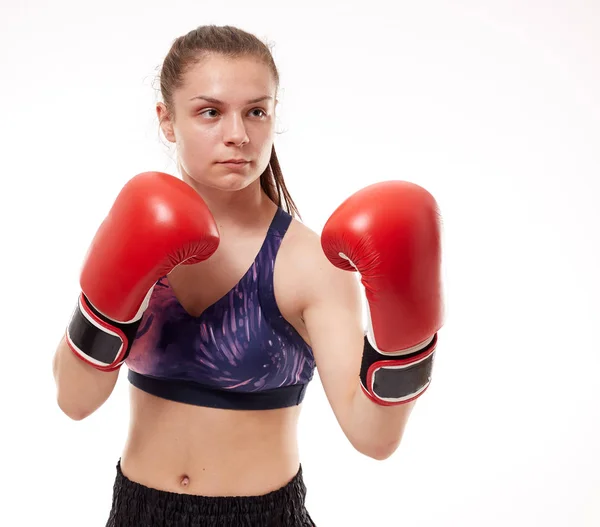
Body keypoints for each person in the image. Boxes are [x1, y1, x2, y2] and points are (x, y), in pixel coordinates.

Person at [52, 25, 444, 526]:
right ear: (167, 121)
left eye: (256, 111)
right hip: (134, 511)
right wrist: (106, 300)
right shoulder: (139, 227)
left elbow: (373, 439)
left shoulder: (308, 261)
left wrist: (406, 340)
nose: (237, 134)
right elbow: (74, 401)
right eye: (210, 112)